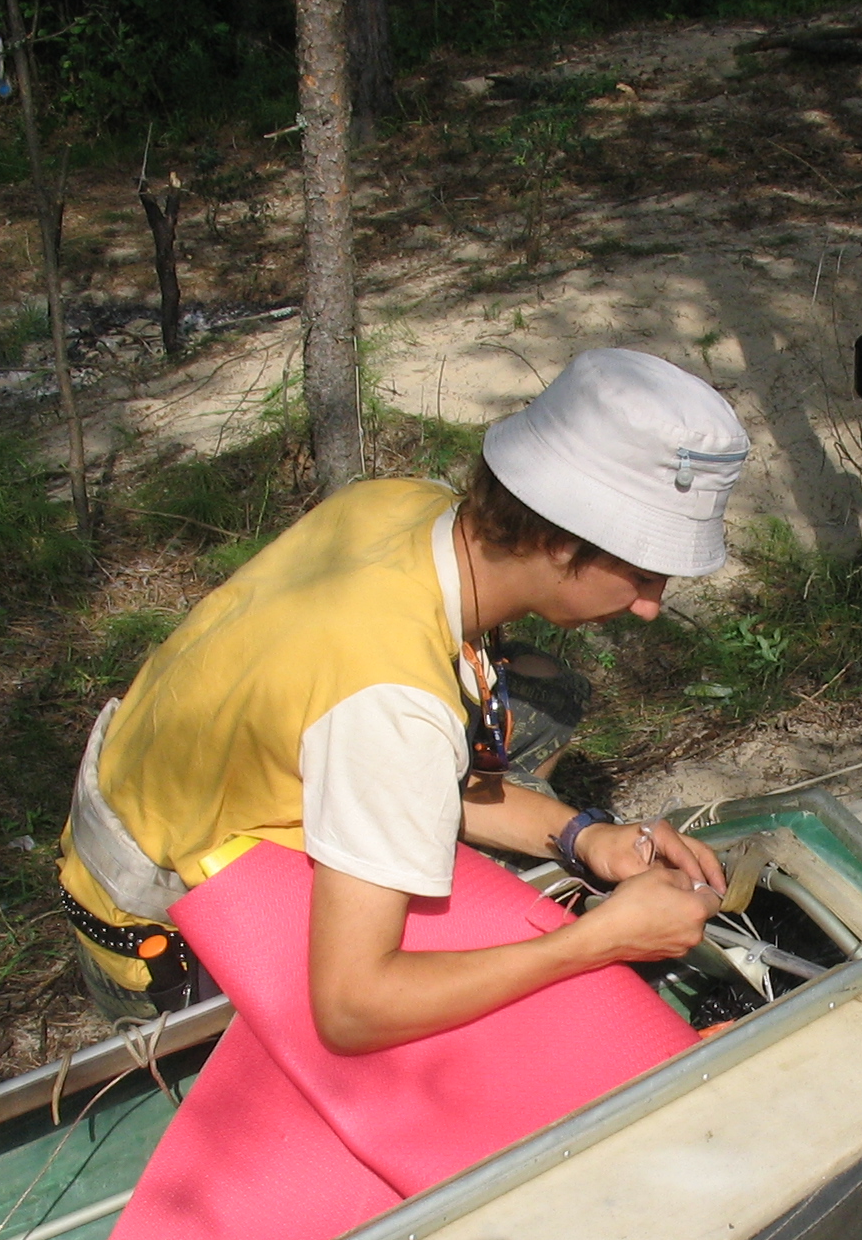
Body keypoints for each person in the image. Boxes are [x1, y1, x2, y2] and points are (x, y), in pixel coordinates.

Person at [56, 348, 746, 1048]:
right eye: (642, 574)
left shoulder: (400, 505)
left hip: (138, 845)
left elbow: (410, 760)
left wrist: (584, 836)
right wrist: (595, 941)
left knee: (542, 692)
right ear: (557, 539)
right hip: (170, 954)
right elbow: (353, 1011)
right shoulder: (393, 702)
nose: (650, 607)